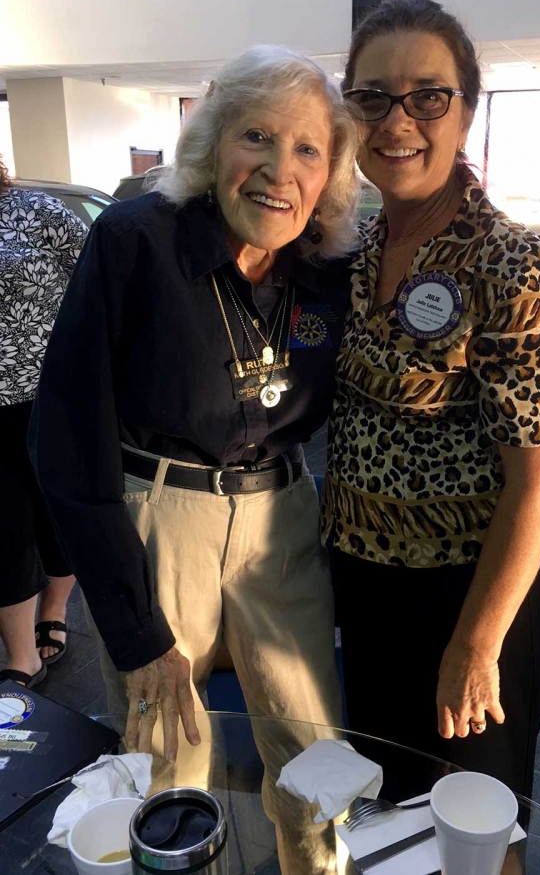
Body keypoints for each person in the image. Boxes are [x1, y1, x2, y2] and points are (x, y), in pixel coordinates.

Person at [30, 47, 358, 874]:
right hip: (160, 515)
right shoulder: (136, 241)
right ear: (213, 142)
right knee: (165, 750)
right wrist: (134, 627)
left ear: (329, 171)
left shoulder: (324, 265)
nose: (280, 170)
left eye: (308, 149)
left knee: (314, 744)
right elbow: (67, 439)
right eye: (257, 136)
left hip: (282, 515)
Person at [322, 0, 540, 801]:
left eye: (428, 95)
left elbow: (539, 479)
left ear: (465, 111)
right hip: (367, 591)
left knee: (473, 826)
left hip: (471, 595)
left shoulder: (517, 263)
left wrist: (474, 645)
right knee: (386, 807)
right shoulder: (355, 248)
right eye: (372, 96)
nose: (399, 120)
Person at [0, 156, 86, 688]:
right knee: (4, 525)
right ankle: (19, 654)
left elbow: (100, 285)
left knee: (56, 515)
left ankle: (53, 607)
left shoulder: (38, 211)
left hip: (49, 399)